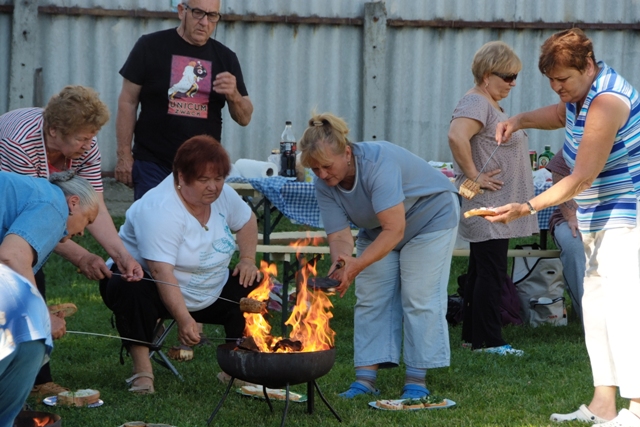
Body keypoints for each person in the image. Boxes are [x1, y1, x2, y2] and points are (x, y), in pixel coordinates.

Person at [491, 28, 640, 426]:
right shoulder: (579, 96)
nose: (557, 88)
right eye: (551, 81)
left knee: (625, 312)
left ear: (588, 65)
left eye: (563, 79)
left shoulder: (607, 101)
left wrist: (526, 206)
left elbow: (581, 178)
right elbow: (559, 115)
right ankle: (603, 405)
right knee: (597, 310)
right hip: (600, 216)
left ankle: (637, 409)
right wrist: (518, 120)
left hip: (628, 217)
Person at [298, 113, 460, 400]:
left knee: (418, 296)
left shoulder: (377, 163)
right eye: (315, 169)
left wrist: (358, 264)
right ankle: (365, 380)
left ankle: (416, 381)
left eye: (326, 166)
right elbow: (339, 236)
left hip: (431, 216)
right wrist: (342, 265)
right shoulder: (323, 184)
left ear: (347, 153)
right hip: (378, 229)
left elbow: (394, 229)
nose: (321, 174)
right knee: (370, 297)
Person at [0, 85, 142, 397]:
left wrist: (122, 256)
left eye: (92, 137)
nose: (88, 145)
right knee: (27, 272)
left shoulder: (84, 145)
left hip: (23, 222)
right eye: (82, 138)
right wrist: (78, 258)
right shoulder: (19, 141)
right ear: (54, 130)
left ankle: (22, 378)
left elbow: (92, 205)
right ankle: (31, 379)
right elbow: (31, 225)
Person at [100, 135, 260, 394]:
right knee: (130, 284)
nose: (213, 187)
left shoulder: (224, 196)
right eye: (203, 180)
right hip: (153, 286)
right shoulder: (160, 210)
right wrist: (184, 318)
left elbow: (247, 221)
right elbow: (161, 272)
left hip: (207, 287)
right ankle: (142, 371)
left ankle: (235, 365)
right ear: (181, 177)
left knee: (253, 282)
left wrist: (247, 259)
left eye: (219, 178)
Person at [448, 41, 538, 356]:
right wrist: (473, 175)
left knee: (481, 270)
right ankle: (489, 341)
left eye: (516, 77)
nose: (513, 83)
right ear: (487, 75)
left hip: (496, 206)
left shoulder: (486, 103)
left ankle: (473, 337)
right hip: (490, 206)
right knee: (491, 271)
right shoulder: (476, 102)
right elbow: (456, 136)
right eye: (508, 76)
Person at [115, 0, 253, 200]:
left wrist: (234, 96)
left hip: (203, 169)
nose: (204, 22)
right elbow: (127, 102)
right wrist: (124, 156)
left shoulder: (226, 58)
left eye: (212, 16)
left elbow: (245, 118)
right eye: (198, 13)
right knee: (154, 219)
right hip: (153, 164)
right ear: (181, 11)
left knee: (198, 221)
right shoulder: (149, 46)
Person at [0, 170, 99, 425]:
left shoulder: (37, 194)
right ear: (73, 203)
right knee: (31, 340)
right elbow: (12, 256)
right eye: (88, 220)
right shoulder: (55, 204)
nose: (82, 233)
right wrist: (41, 315)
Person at [545, 153, 585, 322]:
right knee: (574, 245)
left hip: (617, 216)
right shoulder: (575, 144)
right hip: (572, 215)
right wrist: (572, 215)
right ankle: (587, 315)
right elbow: (560, 175)